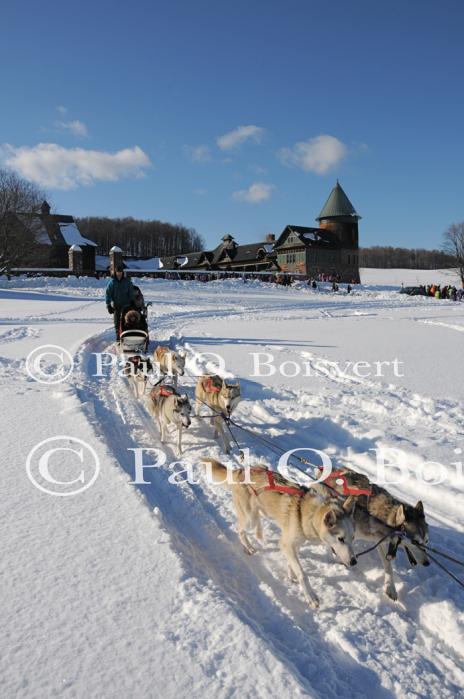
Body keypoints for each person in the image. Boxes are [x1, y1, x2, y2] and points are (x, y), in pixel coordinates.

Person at [105, 264, 136, 340]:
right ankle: (118, 338)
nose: (119, 274)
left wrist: (132, 300)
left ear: (122, 273)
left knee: (127, 321)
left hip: (126, 305)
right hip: (116, 305)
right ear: (115, 272)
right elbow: (108, 294)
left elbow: (131, 292)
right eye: (118, 272)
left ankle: (127, 337)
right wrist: (108, 304)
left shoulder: (127, 282)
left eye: (121, 272)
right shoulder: (112, 283)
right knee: (117, 322)